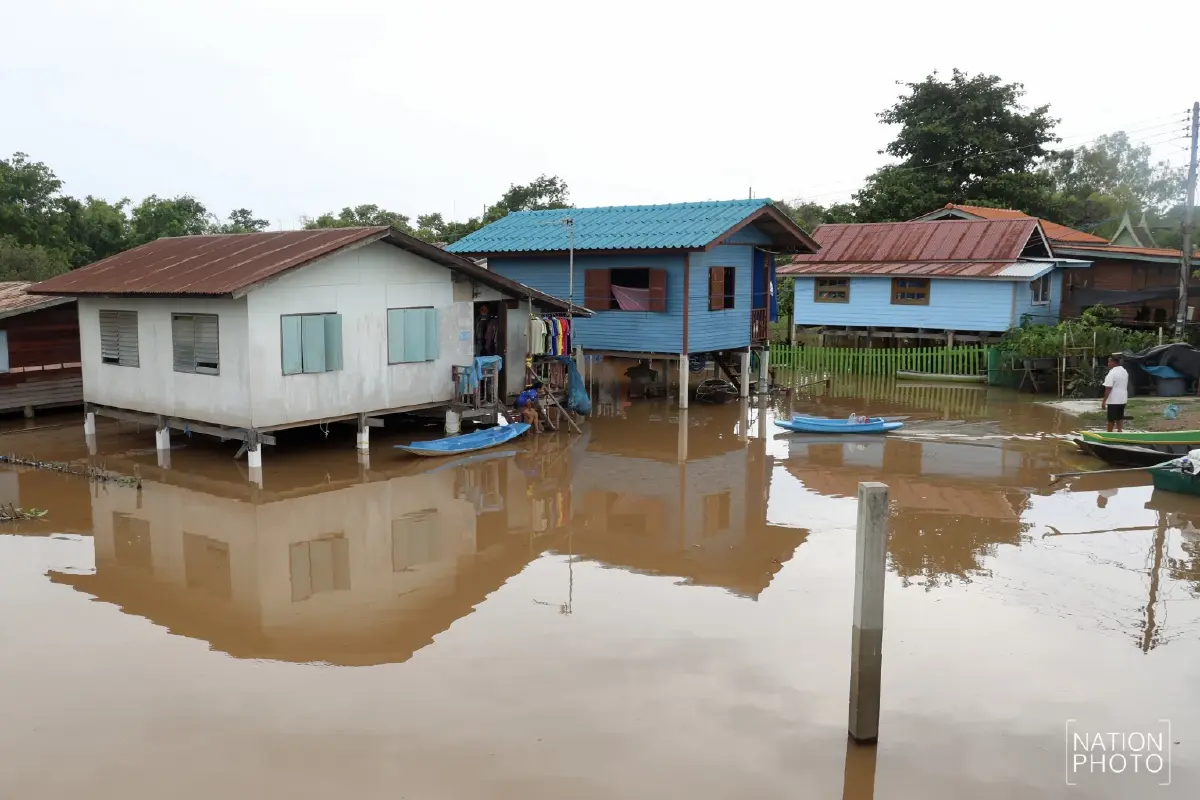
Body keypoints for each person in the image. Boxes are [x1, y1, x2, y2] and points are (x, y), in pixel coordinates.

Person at [1101, 355, 1129, 433]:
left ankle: (1109, 434)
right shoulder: (1124, 371)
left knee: (1111, 419)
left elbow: (1108, 388)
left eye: (1109, 362)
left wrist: (1104, 401)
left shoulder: (1112, 373)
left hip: (1114, 399)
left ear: (1114, 362)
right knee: (1119, 417)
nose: (1108, 364)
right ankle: (1119, 431)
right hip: (1123, 398)